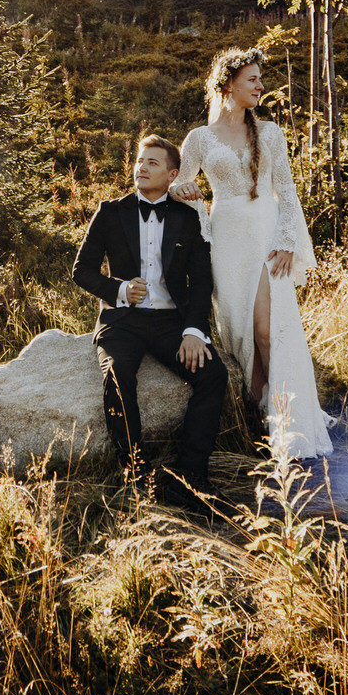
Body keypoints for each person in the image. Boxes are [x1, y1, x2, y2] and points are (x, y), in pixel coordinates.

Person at [170, 47, 335, 465]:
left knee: (267, 329)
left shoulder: (271, 133)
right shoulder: (199, 139)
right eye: (252, 79)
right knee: (241, 333)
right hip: (226, 238)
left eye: (261, 79)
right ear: (227, 84)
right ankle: (259, 415)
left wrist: (287, 239)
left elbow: (288, 191)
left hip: (265, 231)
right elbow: (179, 186)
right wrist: (187, 195)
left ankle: (289, 425)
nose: (261, 85)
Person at [72, 134, 230, 511]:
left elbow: (201, 280)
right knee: (118, 376)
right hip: (121, 321)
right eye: (139, 161)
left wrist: (194, 331)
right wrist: (121, 289)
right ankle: (137, 477)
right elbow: (82, 271)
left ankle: (190, 479)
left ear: (173, 174)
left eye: (152, 163)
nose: (140, 168)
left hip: (171, 322)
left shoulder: (189, 217)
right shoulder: (110, 211)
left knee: (213, 375)